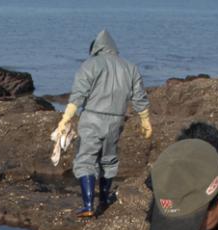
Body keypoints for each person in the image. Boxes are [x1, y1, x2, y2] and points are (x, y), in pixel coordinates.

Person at [51, 29, 153, 218]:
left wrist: (66, 118)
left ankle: (88, 205)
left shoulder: (90, 64)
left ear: (96, 48)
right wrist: (145, 120)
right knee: (109, 159)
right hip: (116, 120)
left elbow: (78, 95)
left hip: (92, 118)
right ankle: (104, 200)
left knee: (85, 160)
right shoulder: (130, 67)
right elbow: (139, 97)